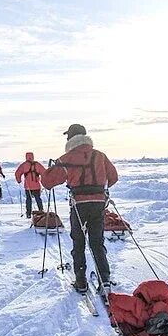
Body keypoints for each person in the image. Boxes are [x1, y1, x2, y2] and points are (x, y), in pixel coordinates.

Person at [41, 124, 119, 294]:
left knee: (78, 241)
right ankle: (104, 280)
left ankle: (81, 281)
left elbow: (47, 183)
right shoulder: (100, 156)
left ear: (70, 138)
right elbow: (113, 177)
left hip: (78, 205)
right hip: (98, 203)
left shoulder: (66, 158)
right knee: (97, 242)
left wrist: (48, 170)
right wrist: (101, 187)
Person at [14, 152, 45, 218]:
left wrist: (19, 180)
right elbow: (44, 173)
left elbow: (17, 173)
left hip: (28, 186)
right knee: (38, 198)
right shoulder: (37, 164)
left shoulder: (24, 165)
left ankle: (28, 213)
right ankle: (41, 210)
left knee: (28, 199)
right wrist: (44, 181)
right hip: (37, 186)